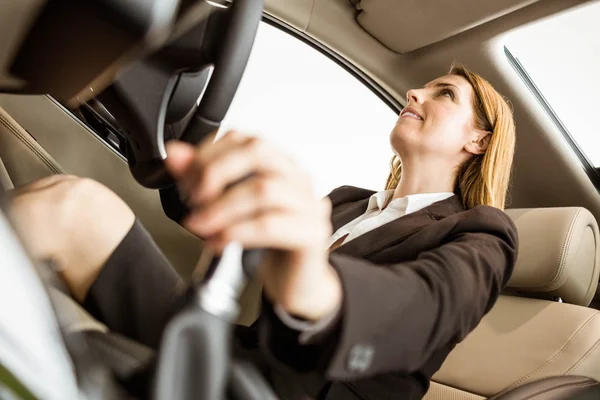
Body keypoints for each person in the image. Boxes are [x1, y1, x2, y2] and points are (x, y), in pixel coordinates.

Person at [8, 63, 518, 400]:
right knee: (74, 204)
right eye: (426, 86)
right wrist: (184, 157)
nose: (415, 92)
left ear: (478, 139)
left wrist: (312, 283)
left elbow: (419, 308)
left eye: (444, 94)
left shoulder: (485, 235)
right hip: (237, 355)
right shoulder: (348, 201)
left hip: (291, 392)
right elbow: (242, 232)